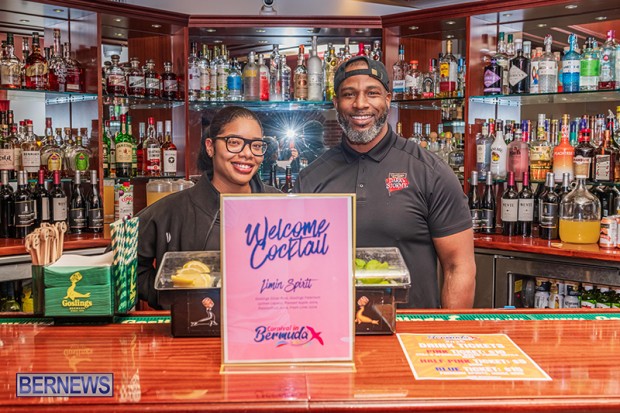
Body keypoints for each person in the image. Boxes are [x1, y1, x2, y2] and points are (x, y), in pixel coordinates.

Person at [293, 56, 475, 309]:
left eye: (372, 93)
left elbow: (458, 266)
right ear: (336, 103)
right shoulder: (311, 179)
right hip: (333, 325)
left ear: (388, 99)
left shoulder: (429, 172)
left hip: (410, 327)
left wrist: (446, 328)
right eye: (349, 94)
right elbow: (297, 266)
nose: (360, 104)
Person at [137, 106, 280, 309]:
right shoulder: (172, 210)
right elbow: (124, 266)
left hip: (265, 325)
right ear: (210, 147)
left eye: (256, 146)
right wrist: (171, 297)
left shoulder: (280, 205)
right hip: (198, 326)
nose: (248, 153)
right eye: (234, 142)